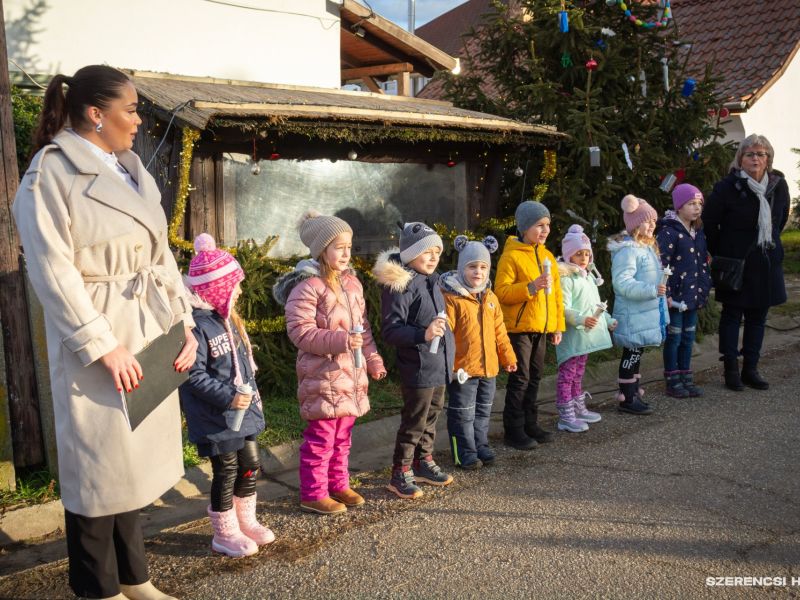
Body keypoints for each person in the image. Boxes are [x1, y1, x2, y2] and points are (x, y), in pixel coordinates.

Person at [12, 65, 197, 600]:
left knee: (129, 463)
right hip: (99, 331)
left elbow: (161, 258)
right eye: (131, 109)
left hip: (147, 327)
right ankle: (98, 588)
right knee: (97, 466)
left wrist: (182, 322)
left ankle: (135, 578)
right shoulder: (51, 173)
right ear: (96, 114)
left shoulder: (128, 169)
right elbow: (51, 269)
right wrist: (100, 344)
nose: (139, 120)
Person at [274, 211, 386, 514]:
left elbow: (362, 328)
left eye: (349, 246)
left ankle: (338, 484)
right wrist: (338, 341)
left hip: (350, 376)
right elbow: (300, 331)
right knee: (321, 437)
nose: (346, 253)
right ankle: (313, 492)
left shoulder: (352, 284)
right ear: (321, 250)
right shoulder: (308, 287)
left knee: (343, 435)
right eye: (339, 246)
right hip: (322, 375)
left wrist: (373, 359)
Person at [179, 234, 274, 557]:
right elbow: (192, 377)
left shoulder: (228, 321)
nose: (240, 291)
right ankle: (225, 532)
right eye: (235, 285)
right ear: (217, 290)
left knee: (251, 464)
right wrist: (227, 397)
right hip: (217, 416)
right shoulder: (197, 328)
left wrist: (250, 399)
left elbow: (243, 367)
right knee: (227, 469)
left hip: (242, 412)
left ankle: (246, 521)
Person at [373, 222, 454, 499]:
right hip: (417, 367)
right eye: (426, 252)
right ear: (409, 254)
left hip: (438, 365)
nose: (433, 258)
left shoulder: (433, 279)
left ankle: (424, 461)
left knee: (431, 416)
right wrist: (423, 333)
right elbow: (391, 330)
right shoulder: (401, 285)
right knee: (414, 420)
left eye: (437, 252)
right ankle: (401, 471)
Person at [703, 134, 791, 391]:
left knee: (758, 316)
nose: (755, 158)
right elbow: (709, 222)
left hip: (766, 260)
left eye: (761, 154)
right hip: (736, 263)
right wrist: (722, 250)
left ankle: (751, 369)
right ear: (740, 158)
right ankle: (731, 369)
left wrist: (768, 238)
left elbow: (781, 219)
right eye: (750, 154)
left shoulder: (778, 185)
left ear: (768, 159)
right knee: (732, 315)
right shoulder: (727, 186)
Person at [439, 235, 517, 469]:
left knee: (483, 412)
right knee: (462, 413)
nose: (478, 272)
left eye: (483, 267)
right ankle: (463, 451)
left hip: (489, 368)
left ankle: (480, 444)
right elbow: (446, 335)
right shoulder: (451, 298)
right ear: (462, 267)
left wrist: (508, 357)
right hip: (463, 369)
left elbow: (500, 332)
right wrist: (448, 366)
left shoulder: (490, 297)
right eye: (472, 267)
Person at [494, 201, 565, 450]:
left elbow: (556, 295)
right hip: (519, 328)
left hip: (542, 328)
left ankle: (530, 423)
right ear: (524, 227)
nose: (545, 230)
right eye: (539, 225)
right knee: (520, 378)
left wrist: (557, 326)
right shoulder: (511, 256)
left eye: (547, 225)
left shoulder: (547, 257)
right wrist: (530, 287)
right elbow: (501, 292)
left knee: (535, 377)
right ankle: (513, 430)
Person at [608, 195, 669, 415]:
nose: (653, 225)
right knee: (631, 354)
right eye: (647, 221)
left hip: (644, 313)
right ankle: (627, 397)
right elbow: (622, 283)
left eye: (654, 221)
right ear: (634, 224)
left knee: (636, 353)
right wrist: (651, 291)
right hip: (633, 314)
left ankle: (633, 392)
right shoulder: (628, 250)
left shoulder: (646, 247)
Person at [555, 225, 616, 432]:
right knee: (568, 373)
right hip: (573, 335)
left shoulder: (587, 276)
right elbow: (563, 308)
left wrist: (607, 320)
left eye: (586, 253)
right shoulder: (566, 278)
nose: (583, 258)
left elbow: (594, 304)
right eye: (578, 254)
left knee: (578, 371)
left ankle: (578, 406)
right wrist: (581, 319)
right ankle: (566, 414)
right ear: (568, 255)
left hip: (585, 337)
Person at [656, 184, 712, 398]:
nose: (696, 208)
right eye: (691, 204)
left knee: (688, 338)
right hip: (676, 297)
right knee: (675, 338)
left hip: (693, 295)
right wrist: (667, 294)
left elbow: (703, 262)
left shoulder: (697, 231)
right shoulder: (669, 231)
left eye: (699, 204)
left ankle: (686, 376)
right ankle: (672, 379)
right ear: (679, 206)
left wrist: (704, 286)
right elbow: (662, 264)